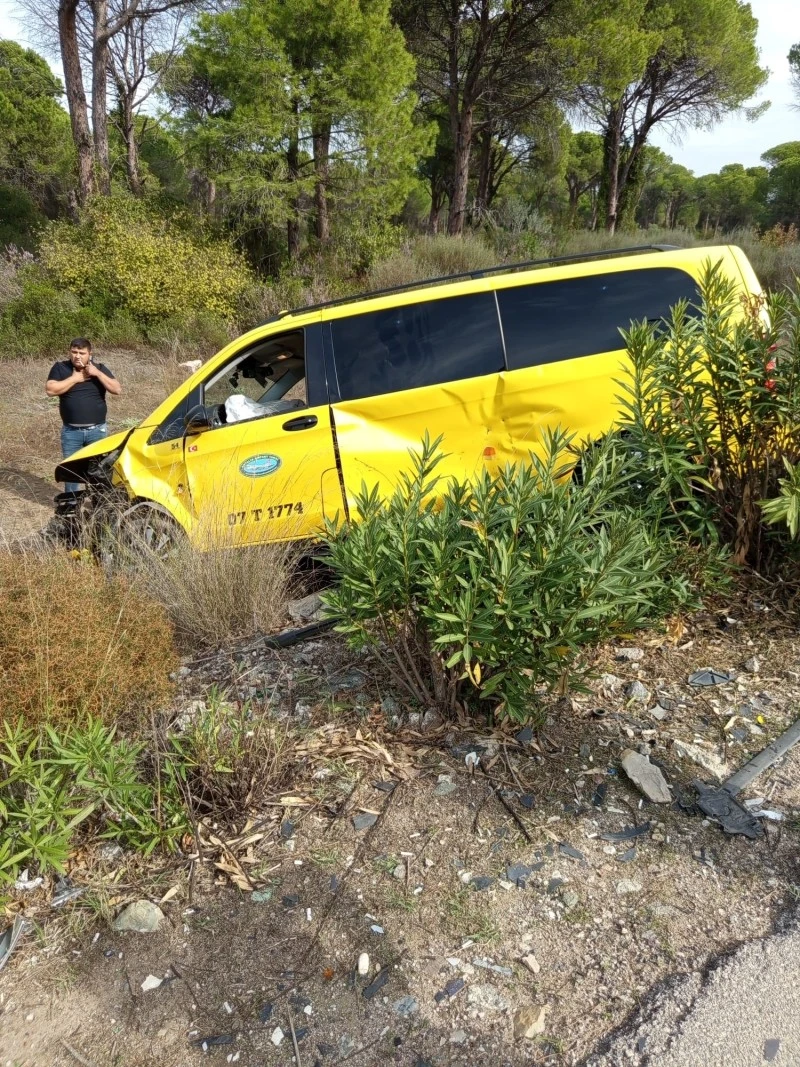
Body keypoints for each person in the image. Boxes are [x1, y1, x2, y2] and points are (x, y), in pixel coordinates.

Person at [46, 338, 122, 493]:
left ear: (90, 354)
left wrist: (97, 374)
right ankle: (72, 506)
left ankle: (99, 504)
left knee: (99, 471)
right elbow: (50, 390)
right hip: (71, 432)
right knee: (71, 473)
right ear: (70, 352)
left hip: (97, 431)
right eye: (74, 352)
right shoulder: (61, 368)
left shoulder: (99, 368)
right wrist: (75, 378)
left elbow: (117, 389)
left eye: (82, 353)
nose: (77, 356)